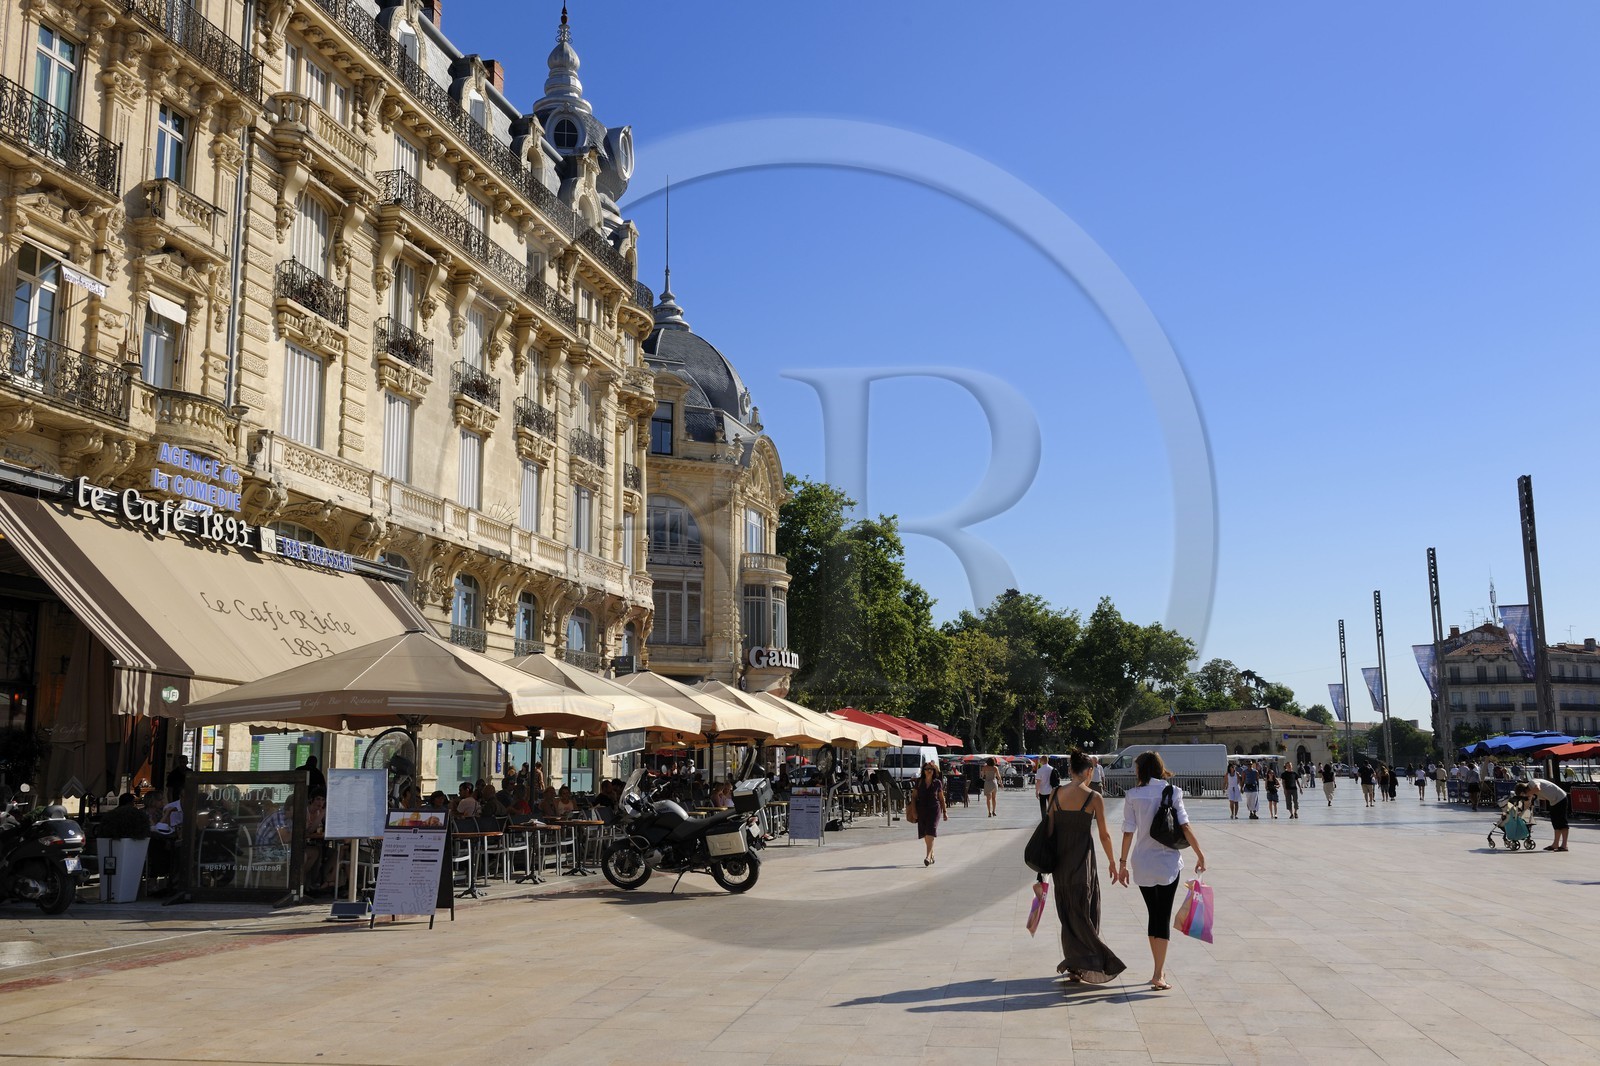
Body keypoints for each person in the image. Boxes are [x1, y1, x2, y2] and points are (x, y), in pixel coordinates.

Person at [1116, 751, 1207, 993]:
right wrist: (1199, 854)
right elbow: (1185, 825)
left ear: (1141, 770)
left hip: (1142, 862)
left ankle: (1159, 970)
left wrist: (1122, 863)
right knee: (1163, 915)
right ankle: (1158, 973)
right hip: (1167, 863)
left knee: (1153, 914)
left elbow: (1128, 831)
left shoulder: (1132, 795)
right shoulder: (1173, 791)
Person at [1044, 749, 1126, 984]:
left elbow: (1049, 830)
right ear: (1090, 771)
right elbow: (1104, 835)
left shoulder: (1055, 794)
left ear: (1070, 770)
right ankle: (1097, 958)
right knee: (1086, 910)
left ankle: (1074, 964)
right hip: (1083, 861)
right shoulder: (1094, 797)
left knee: (1068, 913)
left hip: (1061, 863)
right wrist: (1113, 862)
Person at [912, 761, 948, 866]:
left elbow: (941, 798)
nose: (929, 771)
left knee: (930, 831)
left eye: (931, 769)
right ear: (923, 771)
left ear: (934, 771)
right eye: (926, 769)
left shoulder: (937, 783)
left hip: (934, 810)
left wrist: (945, 812)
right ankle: (931, 854)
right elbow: (914, 797)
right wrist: (914, 811)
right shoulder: (919, 782)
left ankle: (927, 857)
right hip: (922, 810)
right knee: (925, 833)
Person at [1522, 779, 1571, 851]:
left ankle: (1564, 845)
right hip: (1554, 801)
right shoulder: (1533, 792)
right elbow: (1543, 797)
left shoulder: (1532, 782)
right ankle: (1555, 844)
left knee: (1562, 822)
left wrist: (1528, 794)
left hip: (1561, 798)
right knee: (1556, 823)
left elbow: (1538, 788)